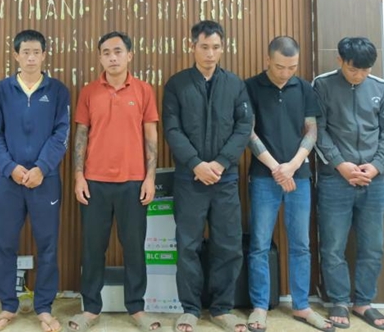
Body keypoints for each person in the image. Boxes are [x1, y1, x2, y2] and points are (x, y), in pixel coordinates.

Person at [162, 20, 252, 332]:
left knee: (228, 245)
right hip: (190, 179)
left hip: (225, 179)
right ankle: (189, 309)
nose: (210, 53)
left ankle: (221, 308)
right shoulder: (177, 84)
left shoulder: (235, 84)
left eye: (215, 47)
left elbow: (244, 127)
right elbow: (172, 129)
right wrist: (196, 164)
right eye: (204, 47)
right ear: (192, 47)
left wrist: (222, 163)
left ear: (222, 48)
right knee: (188, 246)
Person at [68, 31, 160, 332]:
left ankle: (136, 307)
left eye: (118, 51)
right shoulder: (89, 92)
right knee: (93, 249)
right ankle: (90, 308)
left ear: (129, 55)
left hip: (133, 182)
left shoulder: (144, 90)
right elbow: (81, 135)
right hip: (94, 183)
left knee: (134, 248)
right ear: (100, 57)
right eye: (106, 52)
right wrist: (78, 176)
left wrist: (150, 178)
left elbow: (151, 136)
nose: (112, 57)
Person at [245, 36, 330, 332]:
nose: (285, 73)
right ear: (268, 59)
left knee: (301, 244)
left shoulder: (304, 88)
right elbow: (248, 132)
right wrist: (276, 168)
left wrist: (292, 166)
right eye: (280, 66)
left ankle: (302, 305)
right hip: (263, 175)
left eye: (292, 67)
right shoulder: (250, 87)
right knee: (259, 244)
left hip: (299, 176)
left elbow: (312, 131)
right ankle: (259, 306)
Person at [0, 30, 70, 332]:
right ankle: (8, 306)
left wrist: (41, 168)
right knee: (4, 244)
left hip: (44, 180)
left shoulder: (57, 91)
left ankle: (44, 307)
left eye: (36, 52)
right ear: (16, 55)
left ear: (44, 55)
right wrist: (10, 167)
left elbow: (62, 133)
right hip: (9, 181)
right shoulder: (2, 90)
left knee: (47, 245)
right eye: (26, 52)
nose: (31, 58)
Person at [314, 37, 384, 331]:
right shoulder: (322, 85)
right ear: (340, 60)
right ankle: (338, 300)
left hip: (374, 179)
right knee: (333, 245)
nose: (359, 75)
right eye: (352, 69)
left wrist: (375, 166)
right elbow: (318, 130)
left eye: (365, 70)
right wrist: (341, 164)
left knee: (373, 245)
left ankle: (363, 301)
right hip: (335, 178)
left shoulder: (382, 88)